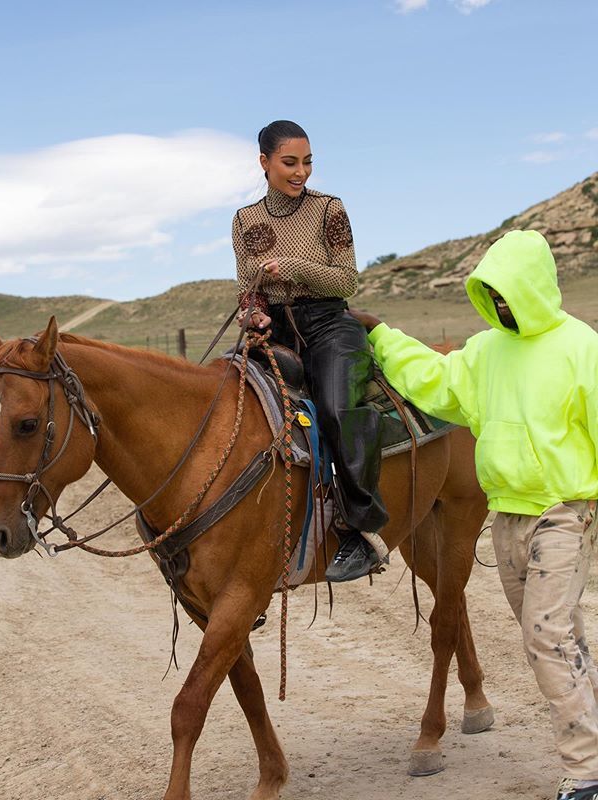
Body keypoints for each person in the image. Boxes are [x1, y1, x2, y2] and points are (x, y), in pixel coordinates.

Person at [351, 229, 598, 800]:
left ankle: (585, 773)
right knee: (562, 636)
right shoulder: (486, 351)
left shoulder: (581, 346)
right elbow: (437, 382)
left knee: (546, 636)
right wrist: (383, 336)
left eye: (510, 291)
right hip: (507, 516)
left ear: (534, 286)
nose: (504, 303)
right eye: (494, 293)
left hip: (566, 511)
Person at [231, 119, 388, 582]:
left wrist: (294, 267)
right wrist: (253, 313)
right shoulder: (245, 220)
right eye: (290, 163)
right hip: (274, 332)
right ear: (264, 163)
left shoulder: (328, 209)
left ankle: (363, 530)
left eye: (307, 162)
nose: (301, 172)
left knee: (338, 409)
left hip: (327, 326)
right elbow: (249, 287)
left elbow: (346, 279)